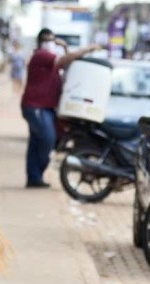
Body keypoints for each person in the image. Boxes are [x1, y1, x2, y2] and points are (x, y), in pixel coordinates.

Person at [21, 29, 100, 188]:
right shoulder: (41, 55)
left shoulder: (49, 59)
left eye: (53, 40)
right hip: (37, 106)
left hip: (45, 107)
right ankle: (36, 174)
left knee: (37, 142)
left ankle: (34, 178)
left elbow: (68, 61)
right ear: (41, 41)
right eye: (48, 40)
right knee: (48, 139)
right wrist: (87, 49)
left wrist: (64, 46)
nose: (51, 43)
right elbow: (64, 60)